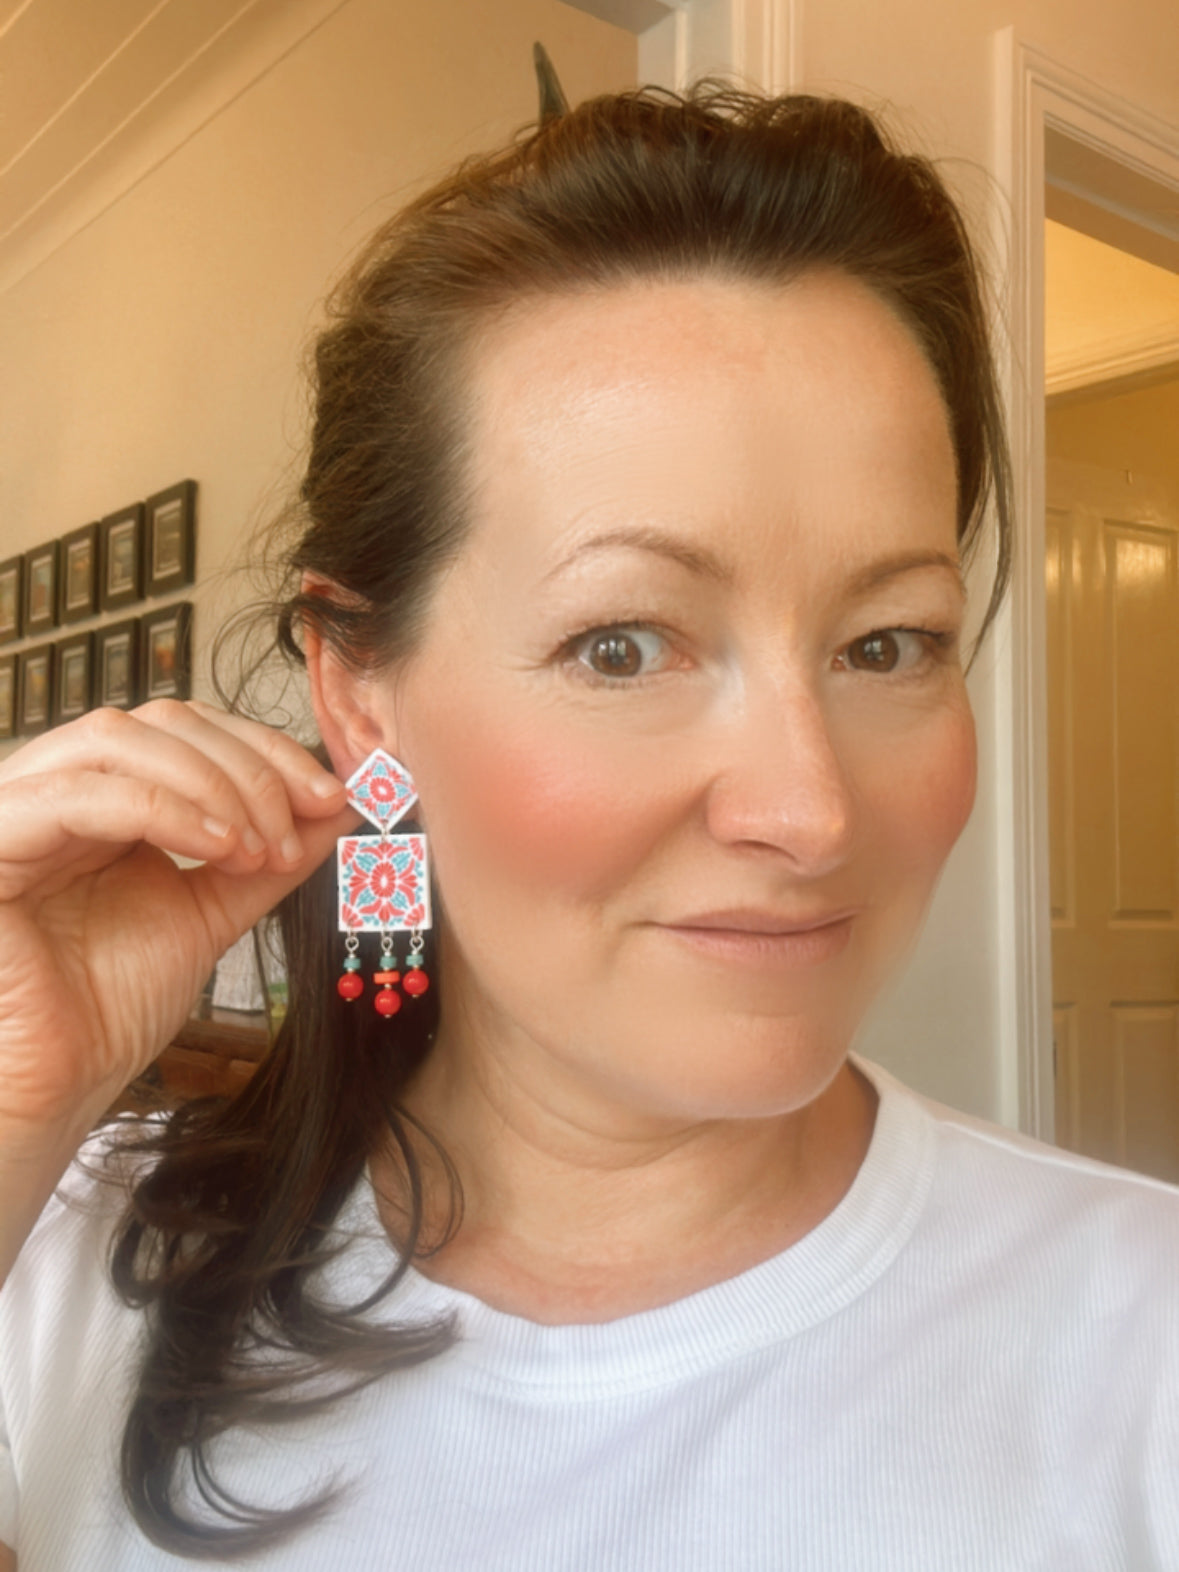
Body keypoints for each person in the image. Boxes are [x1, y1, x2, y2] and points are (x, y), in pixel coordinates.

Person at [0, 81, 1177, 1572]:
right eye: (623, 645)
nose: (809, 812)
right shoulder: (74, 1253)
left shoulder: (1145, 1345)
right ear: (364, 703)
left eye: (887, 644)